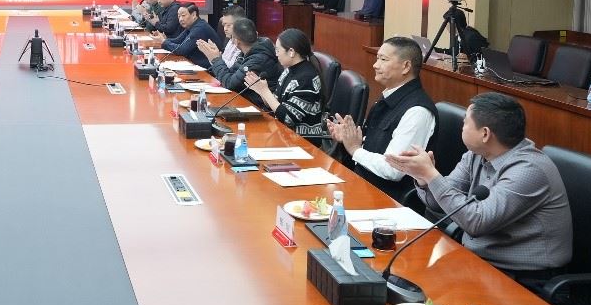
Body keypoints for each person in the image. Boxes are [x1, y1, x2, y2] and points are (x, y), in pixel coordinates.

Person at [386, 92, 573, 279]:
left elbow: (477, 222)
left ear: (485, 134)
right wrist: (422, 177)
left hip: (523, 277)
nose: (462, 126)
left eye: (465, 122)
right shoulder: (476, 155)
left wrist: (431, 175)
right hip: (476, 261)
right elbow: (439, 204)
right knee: (400, 275)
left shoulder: (529, 170)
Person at [327, 36, 436, 198]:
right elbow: (374, 147)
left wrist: (355, 149)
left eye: (383, 59)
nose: (375, 65)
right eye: (377, 58)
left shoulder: (417, 111)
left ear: (406, 66)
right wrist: (349, 139)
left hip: (386, 199)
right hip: (361, 184)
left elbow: (394, 169)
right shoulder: (387, 98)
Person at [244, 28, 328, 137]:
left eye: (278, 50)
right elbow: (277, 104)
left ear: (291, 52)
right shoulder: (288, 70)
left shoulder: (306, 79)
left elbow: (288, 118)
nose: (276, 54)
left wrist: (265, 92)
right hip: (283, 132)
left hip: (302, 139)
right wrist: (260, 90)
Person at [200, 17, 281, 92]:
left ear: (236, 41)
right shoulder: (246, 52)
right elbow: (231, 73)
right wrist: (216, 59)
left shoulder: (258, 58)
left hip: (255, 101)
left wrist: (216, 59)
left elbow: (230, 83)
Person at [156, 3, 222, 69]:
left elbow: (182, 50)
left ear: (193, 15)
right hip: (194, 64)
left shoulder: (200, 28)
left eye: (183, 15)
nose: (180, 19)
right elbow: (178, 40)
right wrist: (164, 40)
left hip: (206, 68)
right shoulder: (192, 26)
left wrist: (164, 42)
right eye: (179, 16)